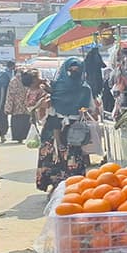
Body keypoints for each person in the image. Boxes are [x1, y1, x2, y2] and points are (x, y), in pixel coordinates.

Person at [36, 58, 93, 193]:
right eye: (71, 70)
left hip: (72, 129)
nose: (74, 73)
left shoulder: (84, 88)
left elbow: (89, 108)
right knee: (52, 157)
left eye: (76, 71)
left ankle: (72, 186)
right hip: (54, 126)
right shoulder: (54, 87)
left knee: (71, 157)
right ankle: (55, 186)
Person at [0, 60, 13, 141]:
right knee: (1, 118)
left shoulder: (3, 75)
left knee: (1, 118)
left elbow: (4, 89)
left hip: (0, 101)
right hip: (1, 101)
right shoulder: (4, 74)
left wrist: (1, 103)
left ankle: (2, 136)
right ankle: (1, 136)